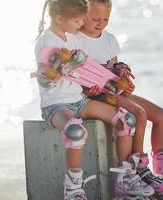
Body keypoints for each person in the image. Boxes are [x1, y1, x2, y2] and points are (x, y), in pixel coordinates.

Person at [76, 0, 163, 195]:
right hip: (98, 97)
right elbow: (76, 77)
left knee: (161, 115)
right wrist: (88, 89)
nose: (100, 23)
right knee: (138, 114)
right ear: (83, 15)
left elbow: (113, 72)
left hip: (114, 92)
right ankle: (138, 170)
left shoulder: (109, 39)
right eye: (95, 19)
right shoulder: (76, 40)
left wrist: (122, 74)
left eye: (105, 19)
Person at [34, 0, 153, 199]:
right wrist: (57, 72)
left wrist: (112, 75)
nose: (81, 25)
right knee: (75, 131)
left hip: (79, 100)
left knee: (126, 119)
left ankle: (124, 180)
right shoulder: (45, 43)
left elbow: (86, 73)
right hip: (56, 105)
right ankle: (73, 189)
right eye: (77, 21)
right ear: (60, 18)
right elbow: (45, 80)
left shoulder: (72, 39)